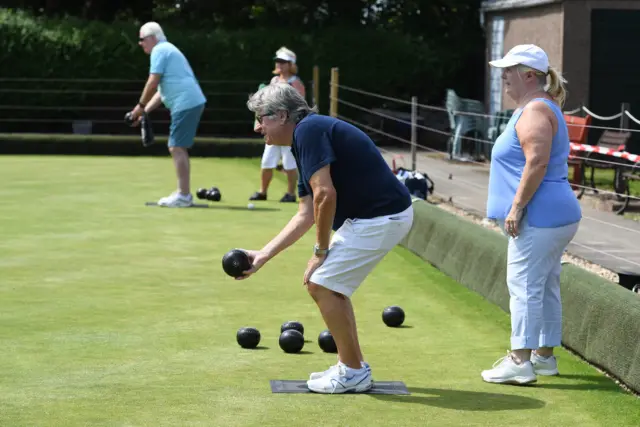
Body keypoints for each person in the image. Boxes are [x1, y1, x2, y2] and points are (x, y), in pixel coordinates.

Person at [240, 83, 414, 394]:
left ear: (281, 115)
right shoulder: (303, 137)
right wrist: (262, 255)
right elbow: (306, 211)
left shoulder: (308, 131)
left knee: (321, 283)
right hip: (374, 217)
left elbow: (324, 194)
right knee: (328, 284)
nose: (257, 127)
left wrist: (320, 250)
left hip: (381, 217)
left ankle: (352, 371)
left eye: (260, 118)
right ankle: (353, 366)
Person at [481, 44, 582, 385]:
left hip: (539, 217)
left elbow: (536, 162)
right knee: (544, 285)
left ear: (528, 75)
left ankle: (519, 361)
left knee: (523, 285)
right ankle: (544, 357)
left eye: (508, 70)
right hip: (553, 215)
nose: (503, 76)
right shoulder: (534, 107)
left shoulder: (536, 110)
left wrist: (516, 207)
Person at [129, 22, 207, 207]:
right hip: (190, 101)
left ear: (153, 38)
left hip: (186, 102)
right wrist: (144, 112)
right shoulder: (166, 50)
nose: (140, 43)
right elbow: (161, 92)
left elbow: (153, 82)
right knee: (178, 146)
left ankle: (183, 195)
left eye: (142, 39)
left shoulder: (160, 50)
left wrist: (139, 107)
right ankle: (184, 194)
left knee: (176, 147)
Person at [249, 47, 306, 203]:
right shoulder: (274, 81)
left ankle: (290, 194)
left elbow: (299, 106)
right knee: (267, 161)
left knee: (289, 162)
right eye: (278, 61)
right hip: (272, 127)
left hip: (288, 128)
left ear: (290, 64)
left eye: (283, 62)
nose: (279, 64)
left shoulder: (296, 83)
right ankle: (262, 191)